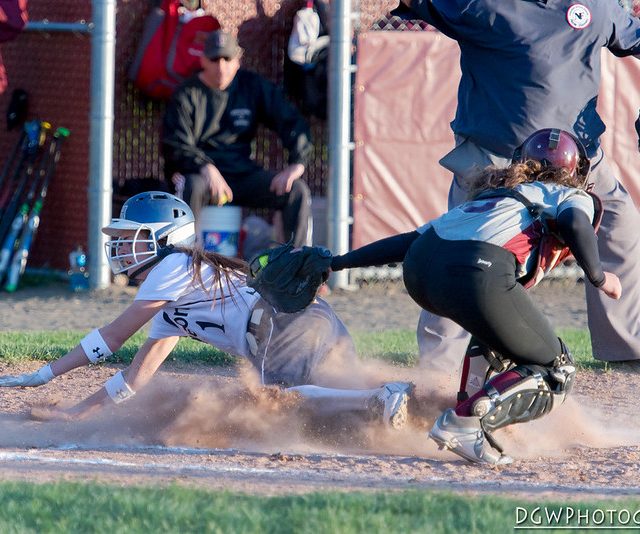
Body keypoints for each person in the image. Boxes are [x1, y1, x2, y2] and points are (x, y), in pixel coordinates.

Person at [0, 191, 412, 428]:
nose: (123, 249)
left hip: (283, 323)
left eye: (133, 238)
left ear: (166, 238)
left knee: (278, 404)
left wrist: (45, 374)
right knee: (322, 419)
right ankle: (396, 405)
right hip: (296, 321)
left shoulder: (173, 265)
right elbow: (133, 379)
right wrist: (75, 413)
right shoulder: (168, 300)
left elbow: (113, 336)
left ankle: (378, 398)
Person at [329, 144, 621, 464]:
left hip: (421, 270)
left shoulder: (494, 197)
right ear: (576, 173)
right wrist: (600, 278)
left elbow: (409, 241)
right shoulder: (567, 194)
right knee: (556, 370)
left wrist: (338, 263)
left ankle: (463, 409)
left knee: (495, 340)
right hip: (476, 270)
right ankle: (465, 423)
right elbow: (576, 224)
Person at [391, 0, 640, 366]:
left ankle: (627, 350)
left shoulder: (595, 7)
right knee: (460, 249)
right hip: (497, 159)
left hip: (576, 157)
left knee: (620, 225)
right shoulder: (483, 5)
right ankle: (439, 367)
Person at [162, 29, 313, 249]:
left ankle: (296, 268)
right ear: (203, 60)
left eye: (227, 58)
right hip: (203, 178)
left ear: (238, 60)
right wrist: (205, 167)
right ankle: (182, 264)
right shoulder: (187, 94)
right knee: (191, 185)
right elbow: (175, 144)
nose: (221, 66)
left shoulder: (253, 87)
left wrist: (297, 164)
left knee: (296, 190)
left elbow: (292, 122)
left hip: (242, 175)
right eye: (214, 59)